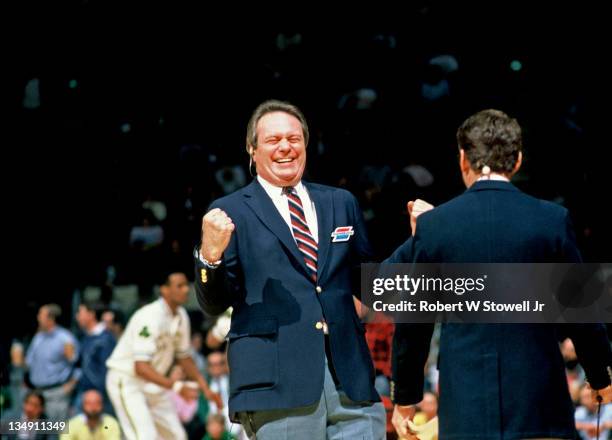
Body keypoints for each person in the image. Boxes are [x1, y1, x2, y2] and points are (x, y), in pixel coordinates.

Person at [388, 109, 612, 439]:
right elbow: (583, 314)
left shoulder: (434, 226)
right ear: (517, 160)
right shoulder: (552, 219)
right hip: (539, 403)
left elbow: (414, 325)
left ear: (463, 159)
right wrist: (601, 377)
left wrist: (405, 399)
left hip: (465, 406)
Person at [195, 99, 385, 439]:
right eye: (273, 140)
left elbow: (370, 283)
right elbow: (213, 303)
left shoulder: (340, 202)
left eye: (294, 139)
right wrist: (210, 255)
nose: (286, 147)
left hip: (351, 381)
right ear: (252, 150)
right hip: (276, 386)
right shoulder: (229, 211)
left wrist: (420, 245)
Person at [105, 272, 222, 440]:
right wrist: (176, 387)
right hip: (127, 380)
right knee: (145, 436)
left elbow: (184, 357)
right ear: (164, 290)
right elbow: (140, 367)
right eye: (179, 286)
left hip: (154, 381)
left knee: (177, 436)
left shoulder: (181, 316)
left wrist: (205, 388)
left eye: (186, 285)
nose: (185, 290)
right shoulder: (149, 316)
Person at [25, 304, 79, 421]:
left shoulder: (65, 339)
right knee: (36, 432)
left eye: (41, 315)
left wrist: (70, 385)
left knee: (54, 431)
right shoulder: (38, 337)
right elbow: (29, 363)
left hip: (56, 394)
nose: (38, 318)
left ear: (50, 318)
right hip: (36, 393)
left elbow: (78, 365)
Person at [74, 301, 116, 414]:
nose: (77, 317)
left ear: (91, 314)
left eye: (80, 312)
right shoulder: (86, 336)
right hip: (83, 392)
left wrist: (98, 392)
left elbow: (106, 371)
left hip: (98, 397)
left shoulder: (105, 339)